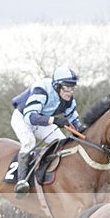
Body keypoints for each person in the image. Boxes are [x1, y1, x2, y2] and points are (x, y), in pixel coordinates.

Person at [10, 67, 85, 197]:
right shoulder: (42, 90)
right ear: (57, 86)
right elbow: (30, 117)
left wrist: (83, 131)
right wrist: (54, 120)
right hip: (23, 118)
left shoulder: (69, 100)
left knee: (62, 142)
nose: (70, 92)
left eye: (72, 88)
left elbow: (74, 120)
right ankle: (22, 182)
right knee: (29, 142)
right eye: (67, 87)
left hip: (42, 120)